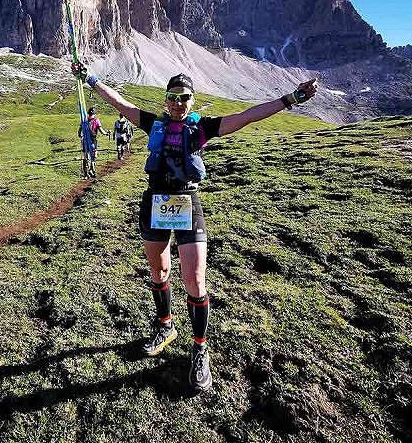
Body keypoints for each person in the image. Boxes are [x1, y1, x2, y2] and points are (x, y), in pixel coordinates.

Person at [71, 63, 317, 392]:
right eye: (172, 97)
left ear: (192, 99)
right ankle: (165, 326)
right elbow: (118, 102)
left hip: (187, 204)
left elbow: (247, 116)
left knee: (195, 279)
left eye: (184, 97)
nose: (178, 103)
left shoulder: (202, 129)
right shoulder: (153, 122)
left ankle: (200, 348)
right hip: (155, 203)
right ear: (166, 99)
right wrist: (89, 79)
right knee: (159, 270)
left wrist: (291, 99)